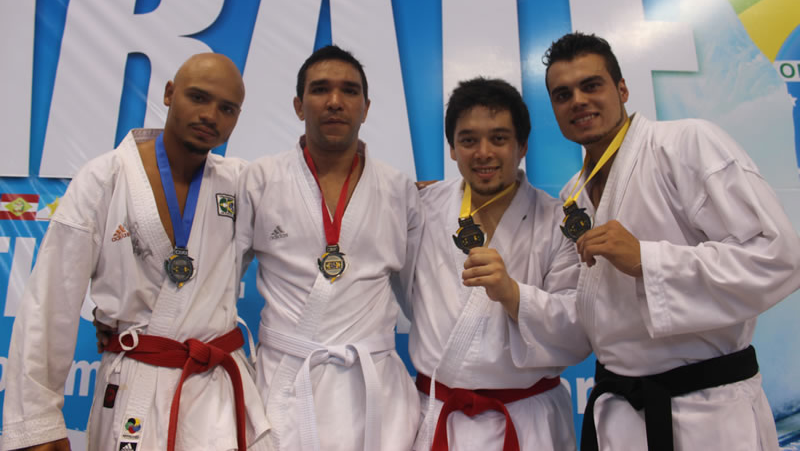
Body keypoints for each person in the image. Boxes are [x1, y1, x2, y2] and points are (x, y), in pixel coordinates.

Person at [543, 32, 800, 451]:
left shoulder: (685, 144)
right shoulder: (572, 194)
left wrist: (647, 260)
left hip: (708, 414)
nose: (578, 101)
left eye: (591, 85)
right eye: (563, 94)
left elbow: (779, 255)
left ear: (622, 89)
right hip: (622, 416)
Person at [2, 53, 271, 451]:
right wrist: (38, 420)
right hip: (134, 386)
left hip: (216, 395)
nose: (210, 115)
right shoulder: (104, 178)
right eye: (198, 97)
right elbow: (51, 300)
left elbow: (305, 233)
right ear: (169, 93)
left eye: (226, 108)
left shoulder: (241, 184)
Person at [235, 45, 423, 451]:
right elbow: (217, 280)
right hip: (286, 383)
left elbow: (419, 298)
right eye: (320, 89)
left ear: (366, 108)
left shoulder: (398, 189)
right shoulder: (260, 179)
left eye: (349, 91)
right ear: (298, 105)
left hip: (373, 390)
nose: (335, 101)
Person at [409, 77, 591, 451]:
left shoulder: (558, 222)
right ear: (452, 148)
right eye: (468, 140)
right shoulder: (420, 210)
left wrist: (512, 294)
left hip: (528, 422)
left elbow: (579, 332)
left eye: (499, 138)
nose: (484, 153)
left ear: (522, 146)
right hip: (437, 415)